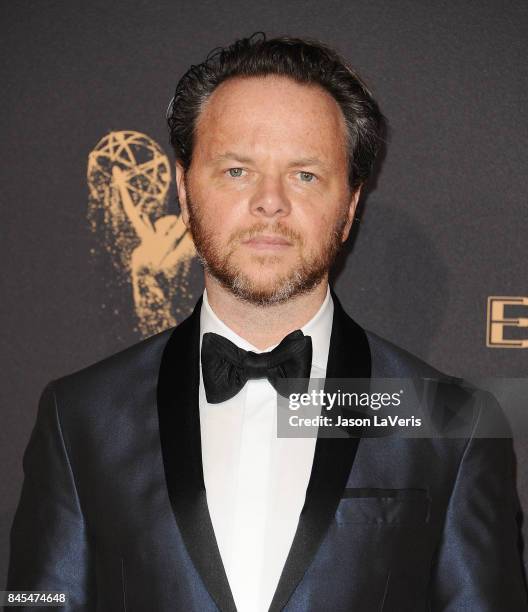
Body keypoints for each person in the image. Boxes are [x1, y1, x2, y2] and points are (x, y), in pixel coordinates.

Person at [6, 33, 528, 611]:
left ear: (351, 205)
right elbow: (37, 603)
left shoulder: (452, 424)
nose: (270, 201)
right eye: (236, 171)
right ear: (183, 188)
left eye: (305, 174)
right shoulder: (80, 416)